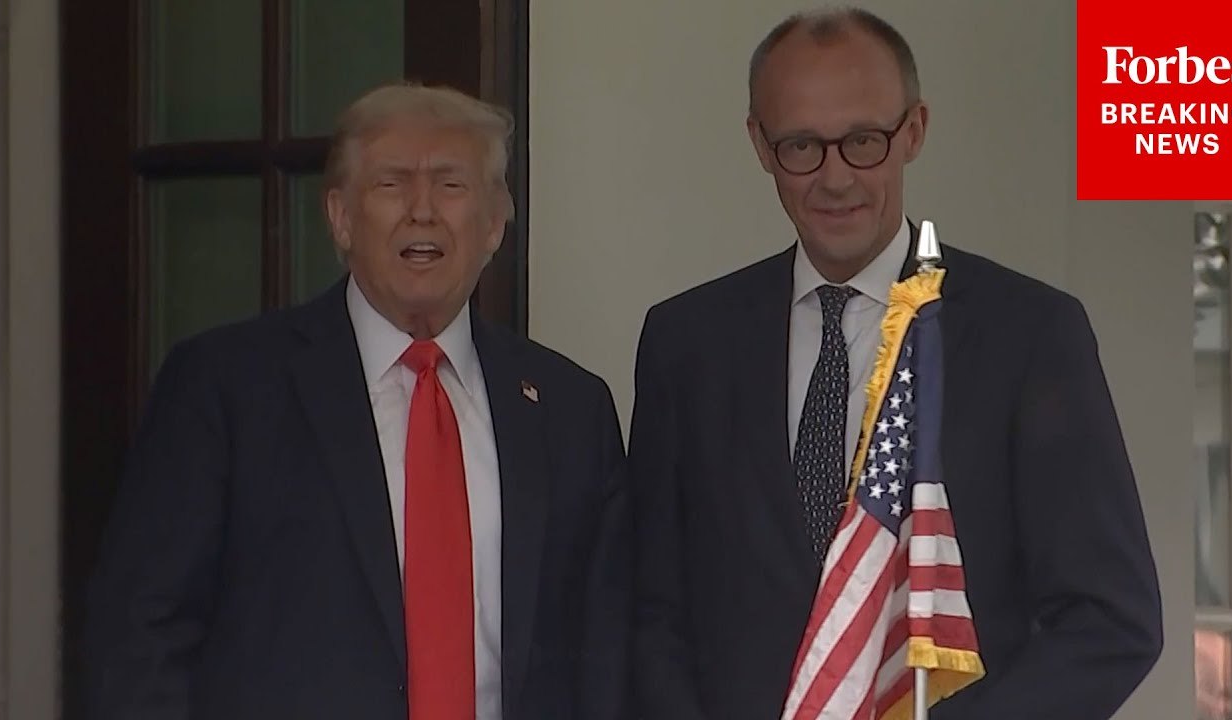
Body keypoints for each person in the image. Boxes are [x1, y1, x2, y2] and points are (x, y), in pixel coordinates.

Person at [629, 7, 1162, 720]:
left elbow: (1111, 620)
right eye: (801, 147)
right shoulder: (685, 342)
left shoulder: (1029, 333)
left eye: (863, 141)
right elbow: (649, 610)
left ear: (913, 131)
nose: (835, 178)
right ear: (759, 144)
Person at [83, 83, 630, 719]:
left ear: (493, 225)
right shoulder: (225, 387)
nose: (422, 211)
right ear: (340, 217)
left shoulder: (570, 408)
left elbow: (605, 650)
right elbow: (139, 634)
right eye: (392, 184)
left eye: (451, 185)